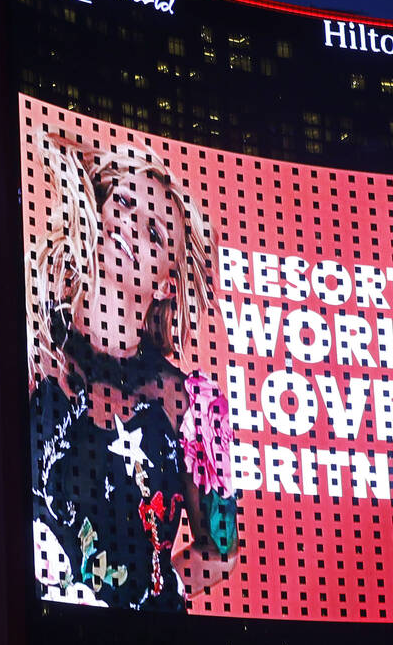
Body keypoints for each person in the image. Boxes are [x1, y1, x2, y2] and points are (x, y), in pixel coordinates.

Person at [25, 130, 237, 610]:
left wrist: (152, 596)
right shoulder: (35, 338)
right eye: (122, 203)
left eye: (157, 232)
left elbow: (221, 550)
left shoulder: (191, 404)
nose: (131, 226)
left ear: (167, 282)